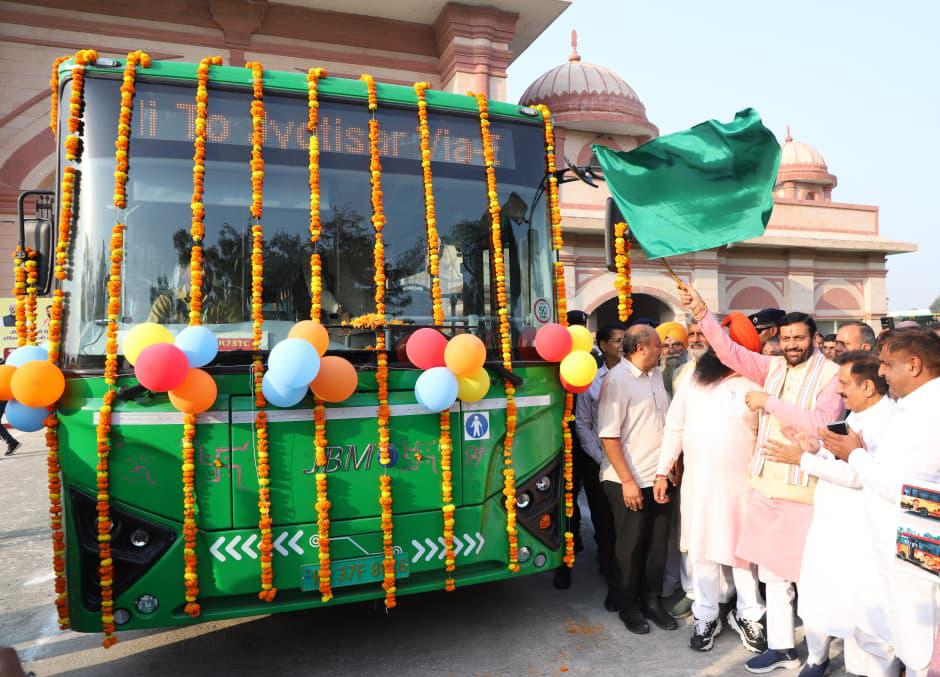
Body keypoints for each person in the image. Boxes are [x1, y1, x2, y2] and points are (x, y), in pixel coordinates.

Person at [679, 283, 843, 674]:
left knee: (809, 578)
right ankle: (783, 648)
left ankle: (818, 656)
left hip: (807, 490)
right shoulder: (772, 368)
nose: (791, 344)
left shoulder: (832, 375)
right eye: (786, 337)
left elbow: (822, 427)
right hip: (766, 485)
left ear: (814, 339)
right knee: (771, 574)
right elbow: (729, 351)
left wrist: (769, 403)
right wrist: (704, 313)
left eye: (799, 338)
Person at [764, 351, 896, 677]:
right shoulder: (857, 414)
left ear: (867, 387)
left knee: (863, 614)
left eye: (844, 383)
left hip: (860, 532)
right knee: (822, 597)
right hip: (831, 524)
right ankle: (817, 658)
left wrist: (803, 461)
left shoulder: (887, 421)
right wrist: (813, 447)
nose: (839, 391)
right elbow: (839, 457)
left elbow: (857, 474)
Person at [821, 328, 940, 677]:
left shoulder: (929, 414)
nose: (882, 373)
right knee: (902, 640)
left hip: (917, 548)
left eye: (887, 364)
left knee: (922, 653)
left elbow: (912, 494)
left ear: (914, 365)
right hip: (903, 545)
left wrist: (855, 455)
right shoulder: (915, 407)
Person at [653, 317, 768, 654]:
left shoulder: (755, 381)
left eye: (718, 341)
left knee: (743, 554)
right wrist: (662, 472)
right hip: (699, 485)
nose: (707, 345)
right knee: (702, 551)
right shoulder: (691, 380)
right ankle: (706, 615)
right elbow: (674, 428)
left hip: (744, 485)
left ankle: (750, 615)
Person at [598, 324, 676, 634]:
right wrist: (628, 481)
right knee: (629, 548)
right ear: (641, 348)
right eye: (658, 345)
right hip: (626, 480)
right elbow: (609, 436)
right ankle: (628, 605)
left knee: (657, 544)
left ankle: (652, 601)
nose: (662, 350)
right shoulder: (617, 380)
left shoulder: (655, 374)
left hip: (658, 477)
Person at [568, 323, 624, 607]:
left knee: (628, 523)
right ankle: (610, 571)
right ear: (602, 345)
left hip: (633, 461)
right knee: (604, 520)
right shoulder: (591, 380)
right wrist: (602, 457)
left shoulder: (636, 375)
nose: (622, 345)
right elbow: (583, 424)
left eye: (625, 340)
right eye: (616, 341)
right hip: (598, 461)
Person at [657, 321, 689, 398]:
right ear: (660, 351)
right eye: (665, 346)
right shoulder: (654, 376)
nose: (671, 351)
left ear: (685, 347)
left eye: (676, 345)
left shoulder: (693, 374)